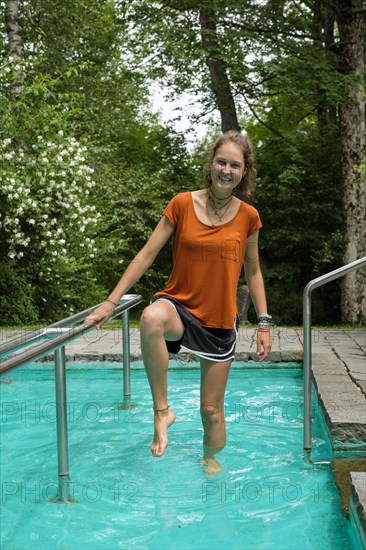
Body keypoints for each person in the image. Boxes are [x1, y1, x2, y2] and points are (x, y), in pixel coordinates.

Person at [85, 130, 272, 472]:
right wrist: (110, 303)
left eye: (234, 165)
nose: (226, 170)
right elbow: (145, 256)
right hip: (179, 305)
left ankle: (211, 460)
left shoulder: (249, 217)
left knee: (211, 410)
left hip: (218, 320)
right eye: (221, 162)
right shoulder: (182, 204)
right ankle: (162, 411)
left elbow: (254, 270)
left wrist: (263, 321)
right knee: (151, 318)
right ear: (210, 164)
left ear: (243, 172)